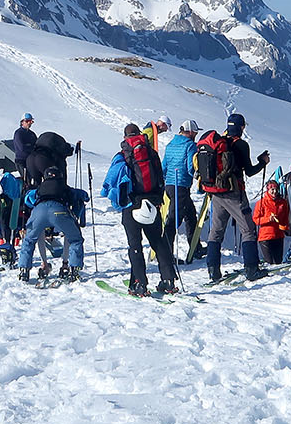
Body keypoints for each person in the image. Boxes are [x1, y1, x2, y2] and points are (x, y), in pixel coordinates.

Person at [103, 122, 178, 296]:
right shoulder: (151, 153)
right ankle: (168, 280)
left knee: (135, 245)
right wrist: (158, 199)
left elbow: (113, 181)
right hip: (152, 203)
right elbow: (160, 177)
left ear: (125, 137)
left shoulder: (122, 155)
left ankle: (139, 283)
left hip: (132, 205)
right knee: (158, 242)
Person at [198, 112, 270, 282]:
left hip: (215, 192)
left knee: (216, 231)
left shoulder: (219, 143)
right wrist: (263, 162)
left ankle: (213, 270)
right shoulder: (241, 145)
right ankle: (252, 268)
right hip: (233, 192)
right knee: (248, 229)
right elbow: (250, 171)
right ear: (241, 127)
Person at [18, 130, 83, 281]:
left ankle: (24, 270)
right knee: (75, 238)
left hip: (39, 210)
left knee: (30, 240)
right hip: (59, 211)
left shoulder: (39, 187)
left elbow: (29, 198)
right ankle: (71, 267)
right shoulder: (61, 179)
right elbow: (78, 197)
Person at [162, 119, 201, 259]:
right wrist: (199, 177)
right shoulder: (190, 145)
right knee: (173, 220)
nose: (195, 135)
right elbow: (191, 167)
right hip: (181, 185)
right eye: (195, 132)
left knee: (190, 216)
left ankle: (195, 247)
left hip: (170, 185)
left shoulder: (170, 144)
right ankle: (166, 252)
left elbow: (164, 166)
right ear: (190, 132)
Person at [253, 178, 290, 264]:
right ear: (268, 190)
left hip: (279, 236)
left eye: (276, 189)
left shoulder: (283, 202)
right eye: (272, 189)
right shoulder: (261, 202)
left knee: (278, 262)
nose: (275, 191)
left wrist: (285, 227)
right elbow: (256, 219)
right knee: (269, 262)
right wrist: (268, 219)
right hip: (266, 236)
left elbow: (285, 217)